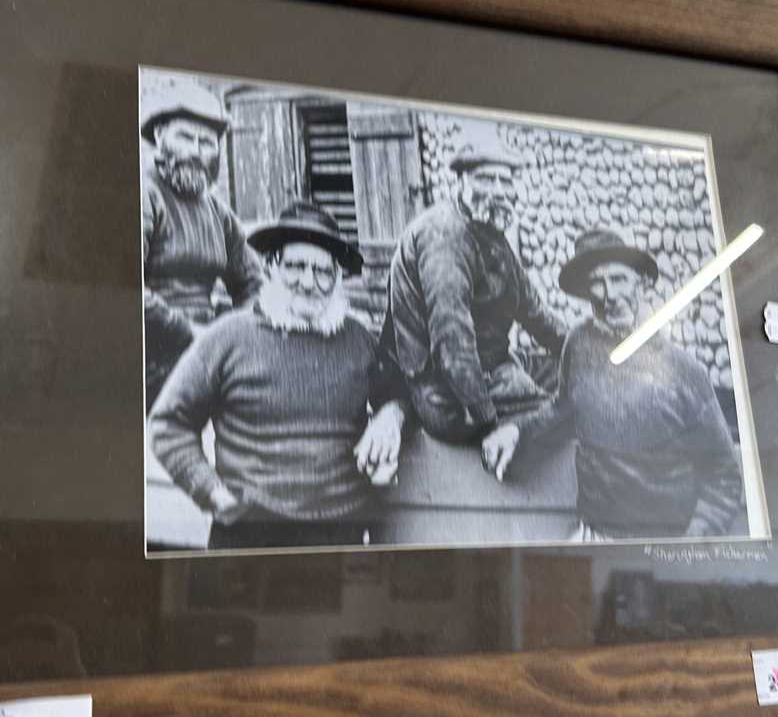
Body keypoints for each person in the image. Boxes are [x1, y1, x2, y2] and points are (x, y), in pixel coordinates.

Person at [150, 201, 409, 551]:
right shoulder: (226, 337)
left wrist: (391, 414)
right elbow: (168, 424)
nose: (309, 282)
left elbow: (401, 391)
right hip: (250, 535)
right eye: (295, 266)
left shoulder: (359, 339)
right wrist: (212, 493)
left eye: (323, 271)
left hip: (341, 535)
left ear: (337, 278)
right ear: (271, 267)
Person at [480, 228, 745, 539]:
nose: (610, 295)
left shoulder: (685, 370)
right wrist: (517, 430)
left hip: (664, 540)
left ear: (642, 283)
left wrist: (692, 542)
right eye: (597, 282)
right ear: (585, 291)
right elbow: (563, 409)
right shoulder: (577, 345)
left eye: (619, 279)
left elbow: (724, 477)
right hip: (595, 533)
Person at [381, 122, 569, 443]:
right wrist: (489, 420)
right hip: (444, 392)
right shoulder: (444, 236)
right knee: (557, 416)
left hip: (488, 368)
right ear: (462, 182)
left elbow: (535, 313)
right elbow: (452, 342)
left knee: (568, 373)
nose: (497, 190)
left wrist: (597, 354)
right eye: (485, 178)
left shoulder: (491, 235)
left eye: (505, 181)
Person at [140, 73, 263, 411]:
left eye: (207, 142)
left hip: (204, 349)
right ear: (161, 136)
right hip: (147, 353)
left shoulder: (218, 212)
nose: (195, 152)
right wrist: (191, 333)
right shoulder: (143, 195)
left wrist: (235, 335)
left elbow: (253, 283)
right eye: (186, 137)